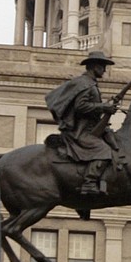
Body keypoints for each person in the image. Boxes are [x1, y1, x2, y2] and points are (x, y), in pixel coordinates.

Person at [45, 50, 118, 195]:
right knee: (103, 151)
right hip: (81, 131)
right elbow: (80, 106)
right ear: (94, 66)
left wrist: (108, 105)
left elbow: (90, 107)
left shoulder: (90, 83)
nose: (104, 70)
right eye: (102, 66)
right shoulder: (85, 84)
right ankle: (89, 183)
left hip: (91, 128)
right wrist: (104, 107)